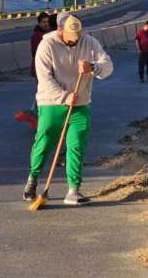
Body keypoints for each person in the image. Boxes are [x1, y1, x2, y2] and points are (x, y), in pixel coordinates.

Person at [23, 12, 114, 205]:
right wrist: (64, 96)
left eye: (77, 38)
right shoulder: (47, 45)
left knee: (77, 145)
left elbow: (108, 66)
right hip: (51, 103)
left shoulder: (89, 42)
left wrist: (92, 67)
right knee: (44, 142)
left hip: (80, 104)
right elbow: (44, 78)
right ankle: (33, 179)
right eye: (70, 39)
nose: (74, 42)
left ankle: (74, 190)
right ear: (59, 31)